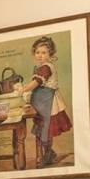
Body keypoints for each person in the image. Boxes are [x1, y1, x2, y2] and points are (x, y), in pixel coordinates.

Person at [18, 36, 72, 168]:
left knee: (46, 129)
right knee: (42, 128)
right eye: (38, 52)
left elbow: (36, 82)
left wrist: (24, 88)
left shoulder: (46, 68)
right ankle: (49, 152)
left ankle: (48, 154)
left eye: (44, 53)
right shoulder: (40, 67)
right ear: (34, 53)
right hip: (41, 102)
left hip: (49, 103)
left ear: (50, 54)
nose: (40, 55)